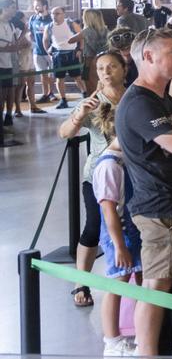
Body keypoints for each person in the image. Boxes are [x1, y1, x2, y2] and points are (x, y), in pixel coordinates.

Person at [115, 28, 172, 356]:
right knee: (156, 287)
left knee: (163, 285)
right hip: (159, 209)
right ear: (148, 57)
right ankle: (146, 353)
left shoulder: (161, 97)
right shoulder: (139, 103)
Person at [59, 50, 127, 309]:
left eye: (111, 67)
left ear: (124, 68)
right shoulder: (93, 101)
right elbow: (64, 132)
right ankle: (81, 282)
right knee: (94, 225)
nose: (106, 72)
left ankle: (132, 277)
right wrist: (78, 116)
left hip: (132, 173)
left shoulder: (135, 97)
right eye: (100, 69)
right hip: (99, 173)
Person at [91, 114, 142, 356]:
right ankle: (111, 340)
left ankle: (143, 332)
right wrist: (119, 245)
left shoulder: (125, 158)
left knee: (141, 280)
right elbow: (108, 208)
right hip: (120, 232)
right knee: (118, 283)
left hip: (135, 228)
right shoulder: (109, 165)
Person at [45, 6, 83, 109]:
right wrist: (48, 52)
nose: (54, 16)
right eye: (53, 14)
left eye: (57, 13)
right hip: (58, 54)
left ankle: (85, 95)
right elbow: (45, 40)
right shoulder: (49, 26)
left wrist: (80, 49)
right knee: (59, 78)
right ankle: (63, 100)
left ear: (63, 14)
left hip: (72, 53)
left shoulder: (71, 24)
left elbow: (81, 35)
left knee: (77, 77)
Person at [29, 0, 54, 103]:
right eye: (34, 5)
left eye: (38, 5)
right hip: (38, 51)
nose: (35, 7)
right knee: (43, 74)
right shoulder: (33, 18)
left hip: (51, 52)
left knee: (52, 74)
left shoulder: (52, 18)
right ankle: (45, 94)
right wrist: (33, 43)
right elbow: (30, 32)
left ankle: (51, 92)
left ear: (45, 7)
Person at [80, 9, 110, 96]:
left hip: (90, 60)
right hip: (104, 59)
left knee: (91, 86)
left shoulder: (87, 31)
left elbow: (70, 40)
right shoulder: (106, 30)